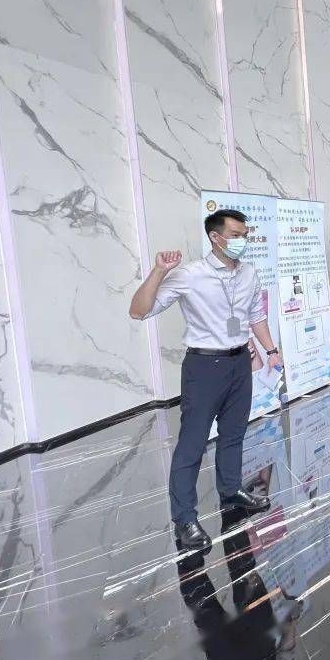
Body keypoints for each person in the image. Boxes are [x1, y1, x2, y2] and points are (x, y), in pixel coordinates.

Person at [129, 209, 282, 552]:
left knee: (234, 434)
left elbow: (256, 316)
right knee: (192, 444)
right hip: (204, 367)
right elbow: (139, 310)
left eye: (245, 235)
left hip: (240, 363)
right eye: (236, 235)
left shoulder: (249, 273)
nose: (243, 241)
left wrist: (271, 350)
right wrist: (159, 271)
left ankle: (231, 490)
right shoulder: (190, 275)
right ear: (215, 237)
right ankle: (185, 519)